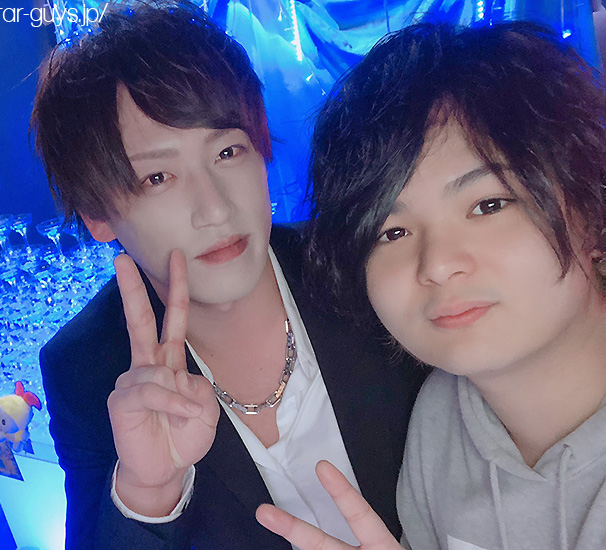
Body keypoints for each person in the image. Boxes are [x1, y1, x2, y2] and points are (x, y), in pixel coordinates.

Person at [31, 2, 426, 549]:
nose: (215, 209)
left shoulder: (356, 263)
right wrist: (148, 492)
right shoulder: (88, 367)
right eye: (157, 177)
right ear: (97, 214)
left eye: (227, 151)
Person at [256, 20, 606, 550]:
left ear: (592, 208)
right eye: (391, 232)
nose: (437, 265)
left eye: (488, 205)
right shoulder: (441, 418)